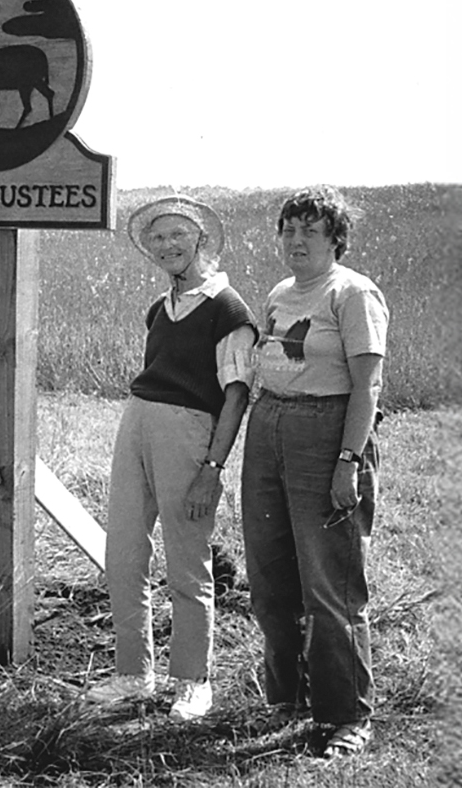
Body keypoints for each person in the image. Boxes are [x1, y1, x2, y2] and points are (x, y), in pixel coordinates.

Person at [85, 196, 257, 721]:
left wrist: (212, 469)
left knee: (187, 560)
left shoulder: (228, 308)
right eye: (157, 239)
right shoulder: (160, 309)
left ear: (201, 239)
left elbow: (236, 395)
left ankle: (192, 681)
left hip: (189, 434)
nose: (167, 246)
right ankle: (134, 675)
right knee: (124, 553)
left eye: (177, 235)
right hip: (137, 420)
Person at [241, 188, 388, 757]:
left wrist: (348, 462)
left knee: (330, 581)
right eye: (289, 230)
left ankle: (347, 715)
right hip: (270, 424)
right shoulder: (281, 293)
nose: (297, 241)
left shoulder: (353, 293)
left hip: (327, 432)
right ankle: (287, 699)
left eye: (311, 231)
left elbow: (368, 387)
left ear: (336, 239)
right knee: (271, 573)